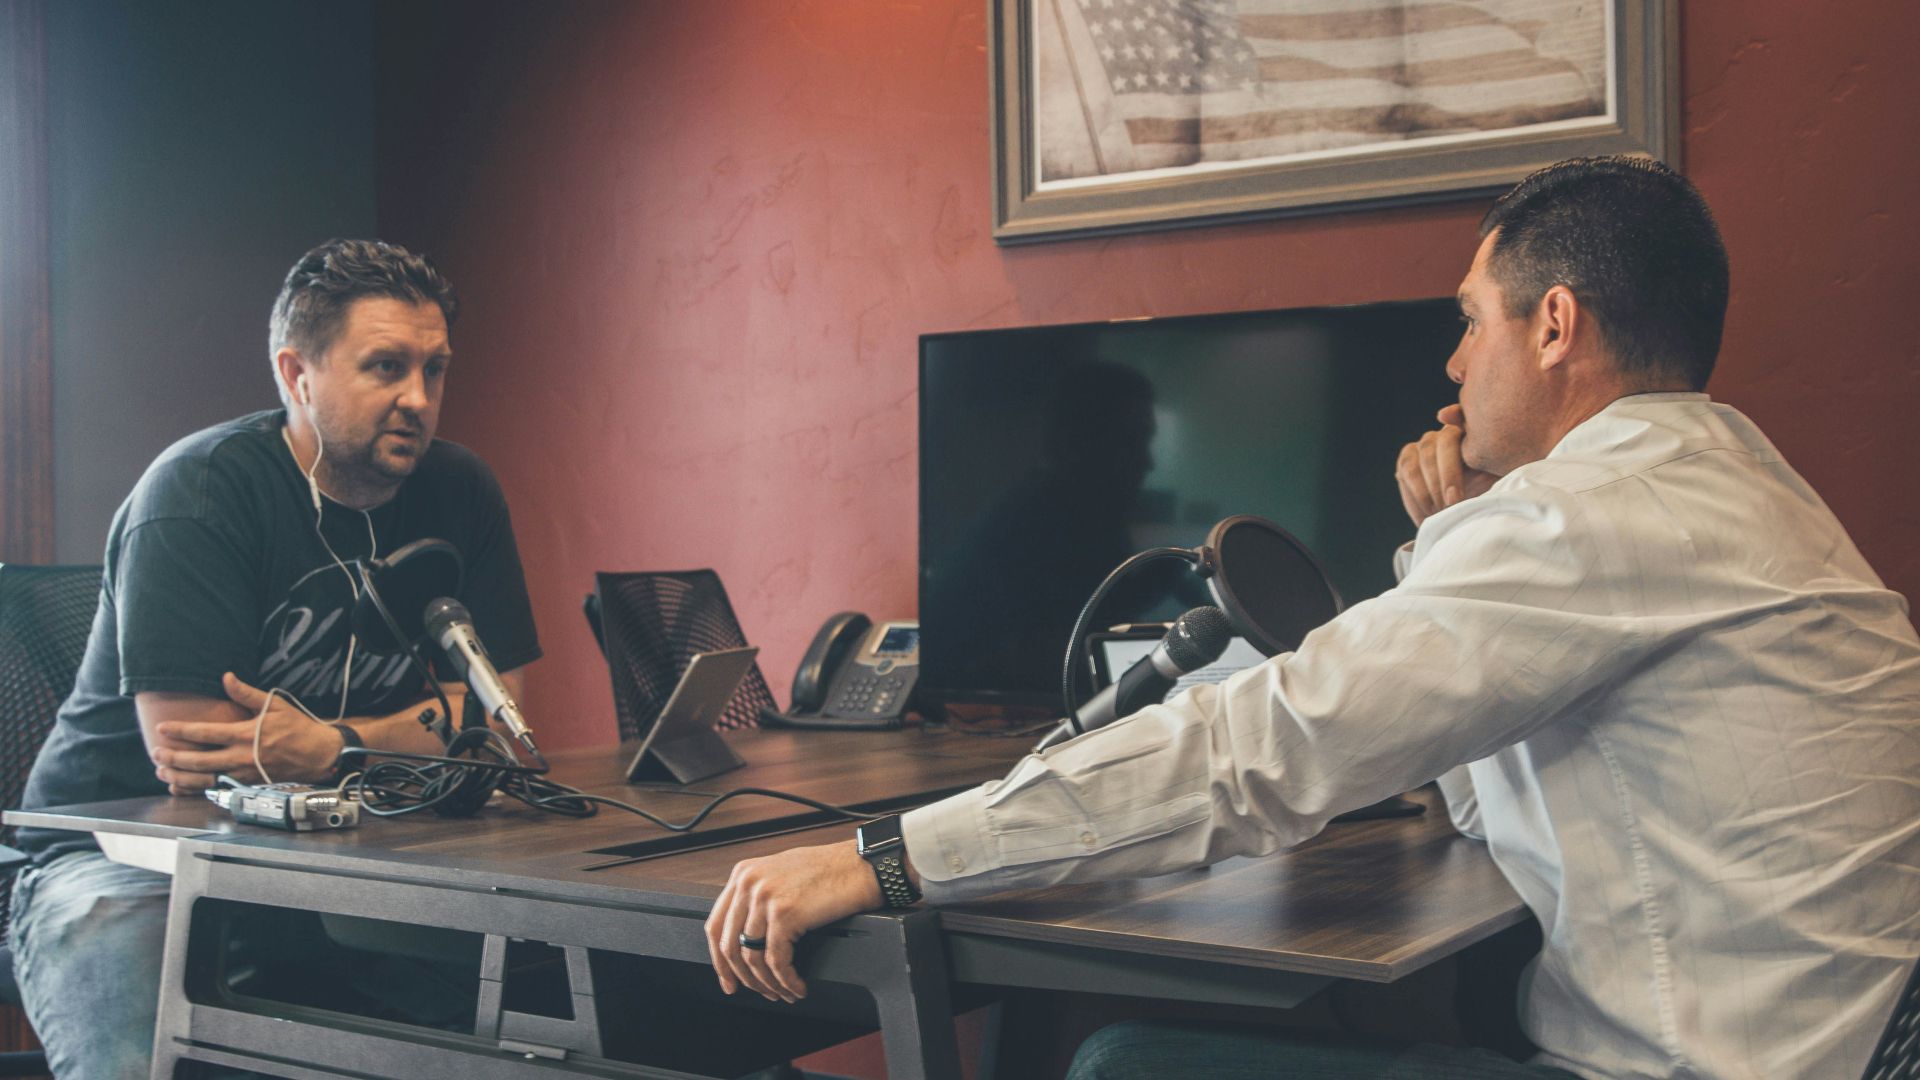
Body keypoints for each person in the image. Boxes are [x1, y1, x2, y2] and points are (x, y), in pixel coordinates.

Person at [704, 157, 1920, 1079]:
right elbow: (1466, 787)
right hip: (1840, 1043)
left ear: (1553, 327)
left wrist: (882, 859)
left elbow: (1252, 753)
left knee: (1126, 1065)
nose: (1453, 364)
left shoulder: (1581, 519)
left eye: (1470, 318)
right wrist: (1449, 542)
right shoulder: (1735, 483)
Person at [9, 239, 541, 1079]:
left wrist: (331, 746)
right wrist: (409, 738)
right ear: (297, 375)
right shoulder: (199, 491)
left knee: (526, 994)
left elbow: (491, 722)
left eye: (434, 370)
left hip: (349, 840)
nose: (418, 399)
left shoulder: (461, 490)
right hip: (122, 851)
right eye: (385, 366)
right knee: (135, 1020)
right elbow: (197, 757)